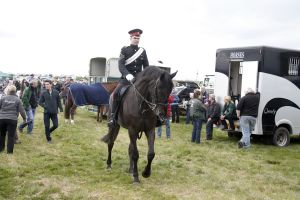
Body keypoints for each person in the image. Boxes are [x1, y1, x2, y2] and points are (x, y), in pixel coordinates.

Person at [108, 28, 149, 127]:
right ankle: (113, 117)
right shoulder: (124, 49)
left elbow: (146, 66)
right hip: (126, 80)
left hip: (138, 80)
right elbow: (121, 65)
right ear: (130, 38)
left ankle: (154, 118)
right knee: (116, 94)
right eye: (135, 37)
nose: (137, 39)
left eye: (138, 38)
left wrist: (144, 77)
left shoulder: (142, 51)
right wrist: (127, 74)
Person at [0, 85, 26, 153]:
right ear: (15, 91)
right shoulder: (17, 99)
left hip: (2, 119)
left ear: (8, 90)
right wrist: (24, 119)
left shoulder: (3, 98)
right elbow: (22, 110)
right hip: (12, 119)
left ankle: (1, 149)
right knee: (11, 136)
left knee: (2, 135)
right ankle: (9, 152)